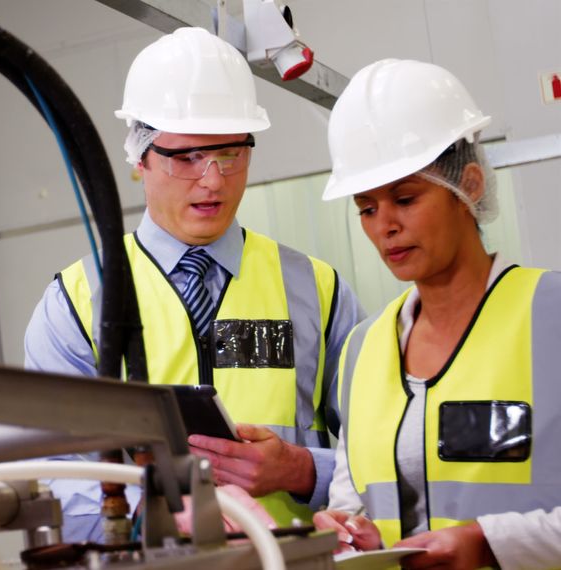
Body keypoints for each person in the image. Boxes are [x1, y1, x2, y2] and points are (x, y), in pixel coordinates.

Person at [24, 27, 364, 542]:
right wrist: (159, 512)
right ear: (140, 156)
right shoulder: (75, 302)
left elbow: (387, 450)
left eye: (230, 153)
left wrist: (301, 470)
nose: (213, 180)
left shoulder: (316, 289)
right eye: (187, 157)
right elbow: (51, 475)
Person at [313, 58, 561, 570]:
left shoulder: (551, 314)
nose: (385, 226)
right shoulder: (363, 349)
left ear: (468, 185)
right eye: (366, 208)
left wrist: (493, 543)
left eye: (405, 198)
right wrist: (347, 525)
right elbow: (351, 495)